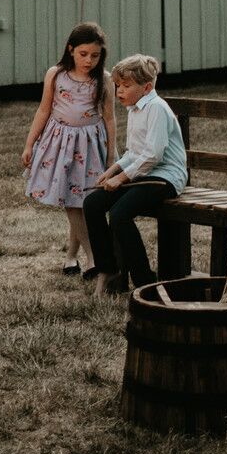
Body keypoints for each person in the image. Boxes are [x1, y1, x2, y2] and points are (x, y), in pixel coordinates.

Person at [82, 54, 188, 296]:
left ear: (147, 87)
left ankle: (145, 281)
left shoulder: (157, 109)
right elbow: (133, 152)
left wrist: (121, 178)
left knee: (119, 214)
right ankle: (109, 269)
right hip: (143, 175)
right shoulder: (134, 109)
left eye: (126, 86)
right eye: (118, 85)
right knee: (93, 203)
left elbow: (153, 155)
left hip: (165, 177)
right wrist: (112, 170)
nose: (119, 91)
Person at [21, 22, 117, 277]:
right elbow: (43, 109)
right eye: (83, 54)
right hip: (61, 143)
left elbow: (109, 119)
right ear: (71, 49)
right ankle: (92, 256)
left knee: (84, 199)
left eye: (95, 56)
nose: (89, 61)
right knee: (72, 201)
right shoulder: (56, 74)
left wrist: (110, 155)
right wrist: (30, 143)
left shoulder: (104, 79)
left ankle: (71, 256)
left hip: (90, 144)